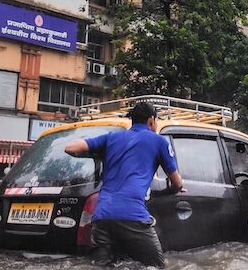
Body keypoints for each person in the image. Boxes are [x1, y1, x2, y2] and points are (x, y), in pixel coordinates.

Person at [65, 102, 183, 268]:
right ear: (151, 120)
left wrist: (98, 152)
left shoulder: (111, 138)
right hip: (133, 215)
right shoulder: (159, 142)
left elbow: (70, 148)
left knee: (101, 266)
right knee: (157, 266)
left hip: (101, 217)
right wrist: (171, 190)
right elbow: (177, 183)